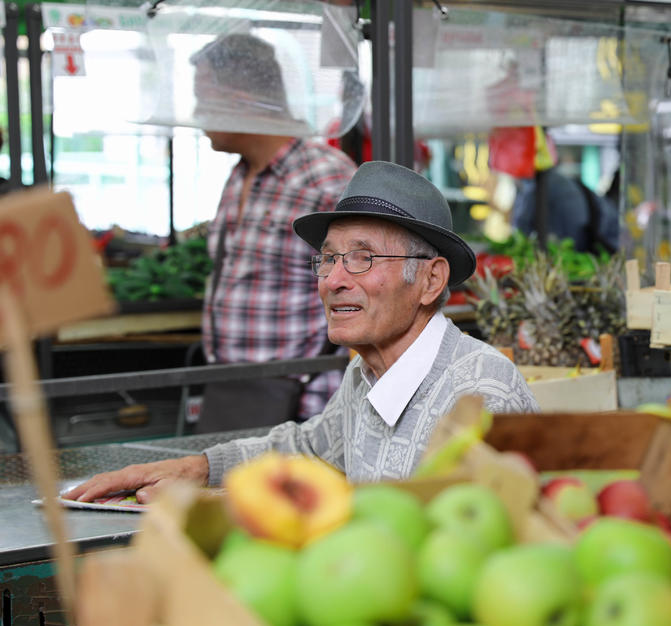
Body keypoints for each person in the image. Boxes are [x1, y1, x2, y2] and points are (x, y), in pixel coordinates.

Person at [64, 161, 540, 501]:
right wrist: (197, 469)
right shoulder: (366, 376)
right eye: (329, 258)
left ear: (431, 280)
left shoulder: (481, 395)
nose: (333, 280)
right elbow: (308, 451)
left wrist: (215, 505)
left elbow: (461, 545)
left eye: (362, 258)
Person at [189, 33, 357, 427]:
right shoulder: (239, 175)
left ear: (239, 100)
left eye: (203, 99)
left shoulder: (324, 179)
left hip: (301, 400)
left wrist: (314, 396)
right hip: (232, 389)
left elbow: (362, 289)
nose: (196, 114)